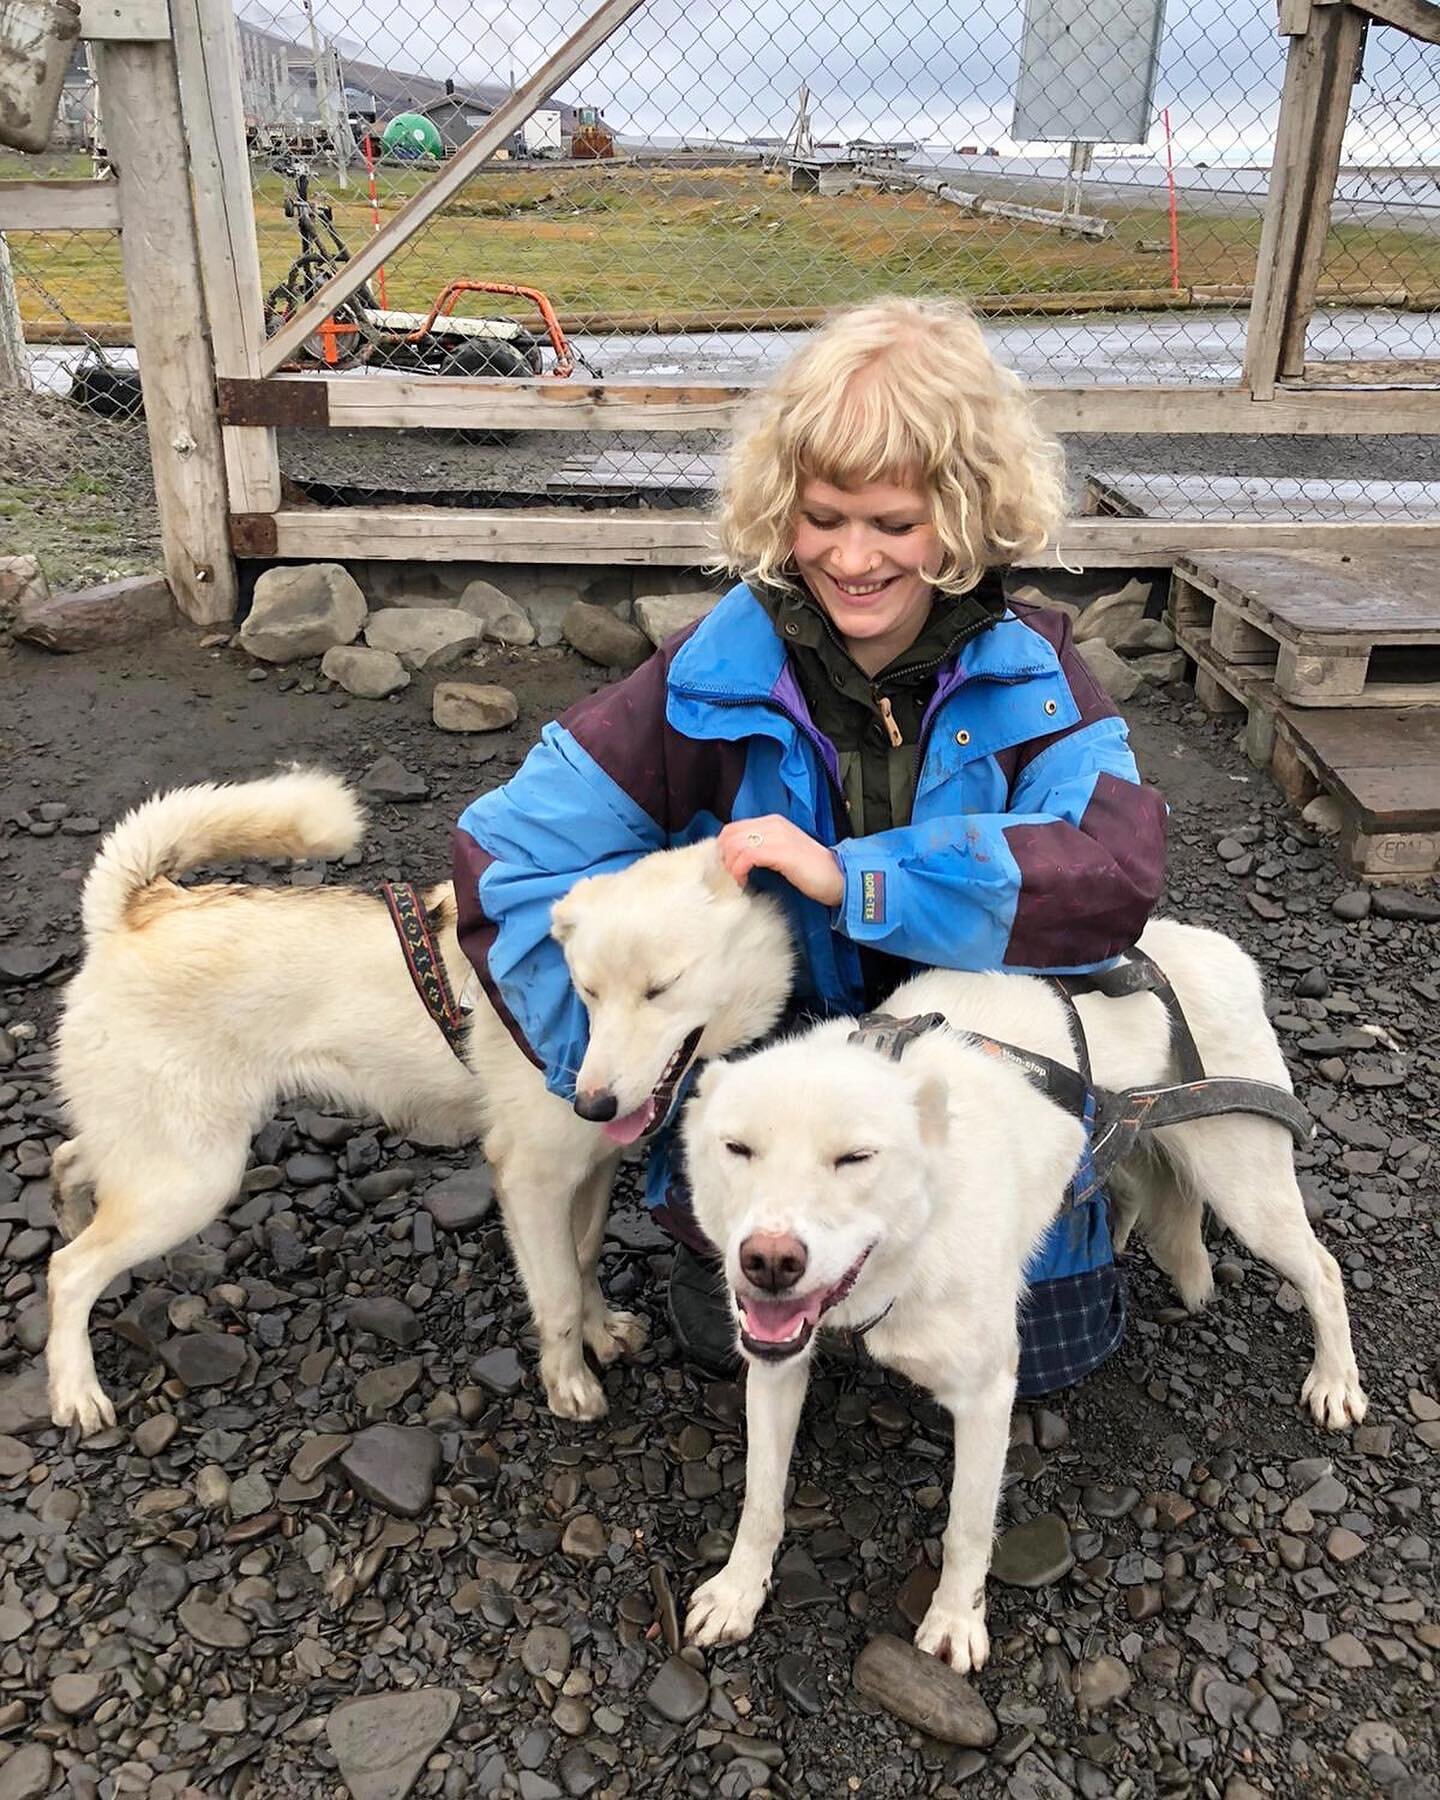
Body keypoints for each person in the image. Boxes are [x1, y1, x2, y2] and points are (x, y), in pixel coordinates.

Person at [453, 296, 1168, 1393]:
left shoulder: (1039, 682)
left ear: (967, 516)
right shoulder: (708, 675)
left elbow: (1109, 878)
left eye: (896, 523)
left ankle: (1046, 1198)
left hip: (966, 1085)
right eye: (825, 516)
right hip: (780, 1100)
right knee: (719, 1336)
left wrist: (859, 883)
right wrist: (633, 1072)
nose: (853, 556)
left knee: (1055, 1355)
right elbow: (509, 861)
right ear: (783, 506)